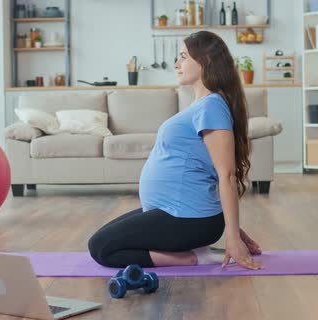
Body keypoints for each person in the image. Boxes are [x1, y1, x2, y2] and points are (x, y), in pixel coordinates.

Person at [88, 31, 264, 270]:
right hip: (178, 214)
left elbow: (226, 175)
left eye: (183, 57)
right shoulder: (203, 105)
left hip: (186, 218)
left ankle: (194, 257)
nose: (176, 64)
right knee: (103, 239)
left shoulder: (211, 106)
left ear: (206, 61)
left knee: (101, 247)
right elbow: (206, 170)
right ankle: (195, 249)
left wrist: (232, 237)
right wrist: (232, 228)